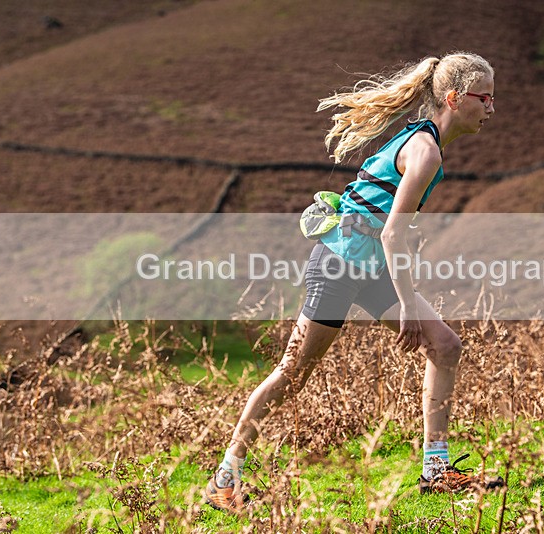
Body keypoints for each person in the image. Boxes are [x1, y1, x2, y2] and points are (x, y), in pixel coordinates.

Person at [205, 51, 500, 513]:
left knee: (445, 346)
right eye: (485, 98)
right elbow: (393, 233)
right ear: (454, 99)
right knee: (293, 373)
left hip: (370, 268)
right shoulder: (424, 150)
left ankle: (436, 469)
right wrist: (407, 306)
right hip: (338, 267)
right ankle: (225, 479)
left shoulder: (426, 142)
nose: (491, 108)